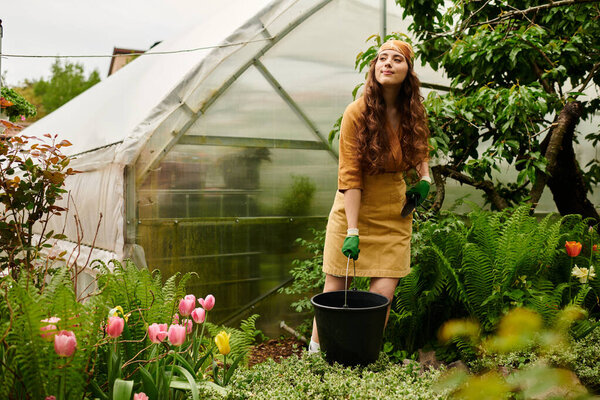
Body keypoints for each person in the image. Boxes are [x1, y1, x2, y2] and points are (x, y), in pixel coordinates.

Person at [309, 39, 431, 353]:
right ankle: (315, 355)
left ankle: (363, 355)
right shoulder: (356, 112)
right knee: (338, 282)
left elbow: (419, 149)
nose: (387, 63)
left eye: (397, 60)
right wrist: (352, 230)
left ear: (408, 71)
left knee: (383, 293)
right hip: (354, 204)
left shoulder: (413, 111)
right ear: (374, 68)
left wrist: (425, 177)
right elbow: (350, 175)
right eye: (382, 58)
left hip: (393, 208)